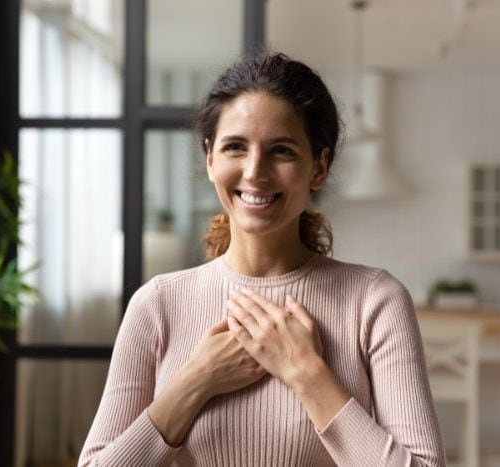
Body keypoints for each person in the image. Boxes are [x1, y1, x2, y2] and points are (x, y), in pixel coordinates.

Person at [79, 52, 445, 466]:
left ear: (318, 167)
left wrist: (305, 372)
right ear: (210, 158)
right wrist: (195, 381)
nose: (254, 172)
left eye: (282, 151)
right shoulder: (156, 305)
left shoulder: (375, 300)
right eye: (235, 146)